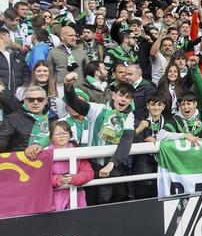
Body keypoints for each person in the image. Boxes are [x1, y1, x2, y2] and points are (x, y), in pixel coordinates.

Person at [63, 72, 135, 204]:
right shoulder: (97, 109)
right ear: (114, 95)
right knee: (92, 201)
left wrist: (111, 165)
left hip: (113, 166)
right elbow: (75, 104)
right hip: (93, 165)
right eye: (121, 95)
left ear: (131, 101)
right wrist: (68, 86)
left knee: (114, 199)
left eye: (128, 97)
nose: (123, 99)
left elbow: (126, 142)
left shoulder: (129, 117)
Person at [38, 121, 94, 210]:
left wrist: (75, 178)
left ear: (70, 135)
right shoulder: (45, 154)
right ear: (51, 137)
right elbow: (41, 177)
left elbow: (89, 172)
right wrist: (57, 180)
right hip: (54, 196)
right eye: (57, 134)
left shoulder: (79, 151)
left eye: (65, 133)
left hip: (76, 194)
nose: (61, 136)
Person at [0, 86, 56, 153]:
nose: (35, 102)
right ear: (25, 101)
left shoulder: (53, 118)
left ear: (46, 101)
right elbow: (2, 141)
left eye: (40, 99)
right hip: (20, 161)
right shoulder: (12, 118)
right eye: (31, 99)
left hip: (50, 159)